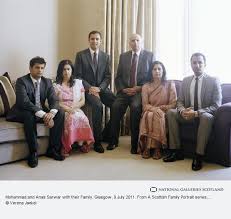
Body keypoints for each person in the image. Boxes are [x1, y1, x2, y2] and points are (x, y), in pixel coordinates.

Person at [164, 53, 222, 171]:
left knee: (206, 117)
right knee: (171, 112)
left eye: (200, 62)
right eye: (194, 62)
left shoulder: (213, 80)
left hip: (203, 115)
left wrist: (196, 113)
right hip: (187, 114)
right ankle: (176, 151)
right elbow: (179, 101)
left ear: (205, 64)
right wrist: (182, 110)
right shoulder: (185, 81)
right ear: (191, 65)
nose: (197, 65)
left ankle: (198, 155)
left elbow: (216, 105)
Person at [6, 56, 65, 168]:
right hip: (21, 111)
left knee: (60, 112)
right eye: (37, 67)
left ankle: (53, 150)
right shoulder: (21, 81)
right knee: (30, 115)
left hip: (39, 110)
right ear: (30, 68)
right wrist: (45, 116)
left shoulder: (47, 82)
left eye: (42, 68)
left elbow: (54, 99)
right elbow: (24, 102)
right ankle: (33, 153)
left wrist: (51, 114)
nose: (40, 70)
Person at [106, 33, 155, 154]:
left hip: (139, 92)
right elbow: (118, 77)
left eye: (137, 40)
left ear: (141, 42)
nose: (135, 43)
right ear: (129, 43)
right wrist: (123, 89)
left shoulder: (149, 56)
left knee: (135, 108)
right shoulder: (124, 56)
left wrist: (138, 88)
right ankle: (113, 141)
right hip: (124, 91)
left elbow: (151, 78)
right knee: (115, 107)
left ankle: (134, 144)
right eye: (133, 40)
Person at [74, 30, 115, 153]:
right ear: (89, 40)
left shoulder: (105, 56)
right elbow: (78, 75)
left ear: (100, 41)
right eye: (92, 39)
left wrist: (100, 88)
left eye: (97, 39)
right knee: (97, 105)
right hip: (87, 90)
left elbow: (108, 76)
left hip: (101, 88)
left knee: (118, 104)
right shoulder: (81, 55)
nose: (95, 41)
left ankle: (108, 134)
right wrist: (90, 88)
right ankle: (97, 141)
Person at [54, 60, 94, 157]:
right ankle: (67, 146)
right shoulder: (56, 85)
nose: (66, 72)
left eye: (68, 69)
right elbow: (56, 102)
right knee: (71, 119)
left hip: (75, 107)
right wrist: (67, 109)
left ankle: (84, 143)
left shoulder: (78, 83)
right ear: (60, 71)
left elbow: (82, 101)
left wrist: (74, 107)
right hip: (62, 109)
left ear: (72, 70)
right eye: (64, 69)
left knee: (83, 118)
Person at [138, 61, 177, 159]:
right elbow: (145, 105)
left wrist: (162, 108)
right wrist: (155, 109)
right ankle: (147, 147)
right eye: (154, 69)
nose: (157, 71)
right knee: (149, 115)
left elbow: (173, 104)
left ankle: (157, 148)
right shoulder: (146, 86)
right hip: (150, 110)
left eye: (159, 69)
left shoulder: (170, 84)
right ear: (151, 72)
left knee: (158, 116)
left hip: (164, 111)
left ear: (163, 71)